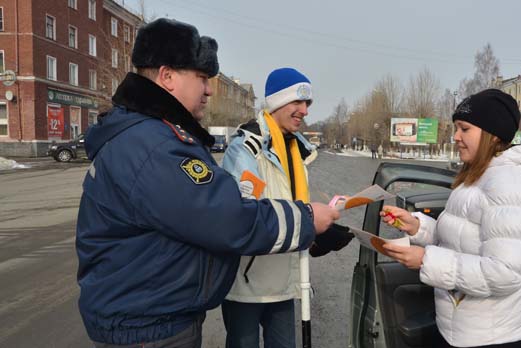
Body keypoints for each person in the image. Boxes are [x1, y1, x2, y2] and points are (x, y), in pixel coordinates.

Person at [75, 19, 339, 348]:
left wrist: (313, 231)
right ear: (167, 76)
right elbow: (231, 217)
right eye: (201, 77)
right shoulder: (156, 145)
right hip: (150, 326)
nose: (209, 89)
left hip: (156, 315)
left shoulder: (151, 134)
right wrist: (308, 219)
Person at [379, 89, 521, 348]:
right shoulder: (481, 174)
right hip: (468, 331)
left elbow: (505, 272)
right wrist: (417, 226)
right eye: (456, 128)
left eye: (464, 129)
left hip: (498, 337)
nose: (456, 137)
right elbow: (465, 239)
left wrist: (427, 260)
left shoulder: (511, 182)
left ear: (492, 134)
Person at [221, 67, 353, 348]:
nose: (304, 111)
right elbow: (245, 217)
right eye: (297, 102)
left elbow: (293, 207)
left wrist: (317, 235)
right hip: (247, 285)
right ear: (277, 103)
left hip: (286, 281)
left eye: (308, 104)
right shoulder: (246, 150)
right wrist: (306, 223)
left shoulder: (297, 151)